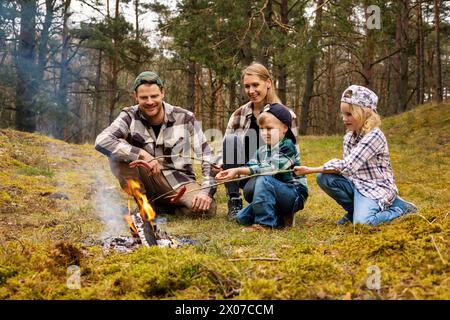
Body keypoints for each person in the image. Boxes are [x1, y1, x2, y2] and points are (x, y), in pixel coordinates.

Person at [95, 71, 217, 217]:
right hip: (146, 178)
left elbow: (207, 157)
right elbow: (102, 140)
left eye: (154, 96)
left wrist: (205, 192)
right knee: (118, 148)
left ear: (162, 93)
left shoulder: (185, 117)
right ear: (135, 96)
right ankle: (144, 204)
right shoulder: (129, 116)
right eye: (144, 97)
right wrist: (142, 154)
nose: (150, 102)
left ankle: (160, 207)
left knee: (205, 210)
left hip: (179, 181)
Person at [293, 85, 418, 226]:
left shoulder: (375, 135)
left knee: (363, 223)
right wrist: (321, 171)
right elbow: (346, 171)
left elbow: (348, 166)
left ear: (365, 113)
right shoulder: (348, 138)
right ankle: (353, 211)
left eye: (349, 114)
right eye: (343, 114)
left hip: (375, 189)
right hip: (358, 185)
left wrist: (310, 170)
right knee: (324, 178)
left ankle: (399, 209)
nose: (344, 119)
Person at [219, 62, 298, 219]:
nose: (251, 91)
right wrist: (222, 165)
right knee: (230, 140)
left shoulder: (286, 116)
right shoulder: (238, 115)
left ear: (268, 83)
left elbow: (293, 157)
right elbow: (227, 152)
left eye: (256, 85)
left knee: (253, 189)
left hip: (274, 176)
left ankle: (274, 205)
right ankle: (234, 201)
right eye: (247, 86)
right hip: (246, 173)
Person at [216, 103, 308, 228]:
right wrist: (233, 171)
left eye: (269, 128)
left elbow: (271, 168)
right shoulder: (262, 150)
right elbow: (251, 164)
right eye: (262, 129)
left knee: (263, 178)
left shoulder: (288, 146)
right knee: (241, 218)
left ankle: (265, 223)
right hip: (272, 191)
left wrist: (239, 169)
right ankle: (280, 217)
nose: (265, 133)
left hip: (293, 195)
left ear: (284, 128)